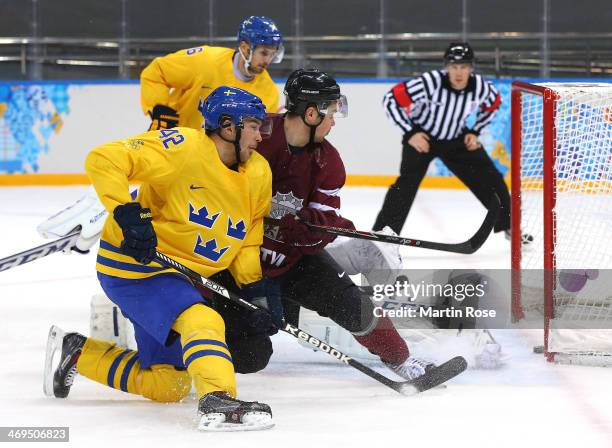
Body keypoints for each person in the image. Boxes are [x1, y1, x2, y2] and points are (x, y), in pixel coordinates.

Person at [43, 86, 281, 432]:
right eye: (255, 126)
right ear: (228, 127)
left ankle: (79, 352)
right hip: (137, 268)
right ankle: (218, 399)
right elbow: (104, 158)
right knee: (202, 320)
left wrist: (253, 288)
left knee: (168, 386)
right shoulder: (181, 147)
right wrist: (125, 211)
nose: (261, 136)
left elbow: (248, 234)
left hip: (181, 276)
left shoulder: (258, 171)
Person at [254, 68, 437, 380]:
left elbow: (318, 228)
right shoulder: (257, 135)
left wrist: (313, 227)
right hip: (239, 256)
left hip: (290, 261)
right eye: (330, 112)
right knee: (250, 347)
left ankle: (400, 358)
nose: (334, 121)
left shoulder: (328, 162)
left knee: (348, 301)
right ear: (311, 113)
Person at [373, 42, 514, 241]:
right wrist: (410, 133)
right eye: (454, 66)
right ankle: (383, 234)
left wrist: (475, 131)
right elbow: (391, 100)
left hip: (455, 138)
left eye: (464, 67)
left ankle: (510, 226)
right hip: (422, 139)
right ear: (446, 67)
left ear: (471, 68)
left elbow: (494, 104)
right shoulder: (430, 82)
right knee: (405, 185)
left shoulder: (480, 87)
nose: (459, 72)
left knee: (490, 177)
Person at [141, 15, 282, 131]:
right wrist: (159, 107)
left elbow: (258, 138)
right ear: (245, 48)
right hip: (174, 142)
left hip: (215, 160)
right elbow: (157, 71)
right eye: (264, 53)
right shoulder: (205, 60)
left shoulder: (269, 92)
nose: (268, 60)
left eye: (272, 54)